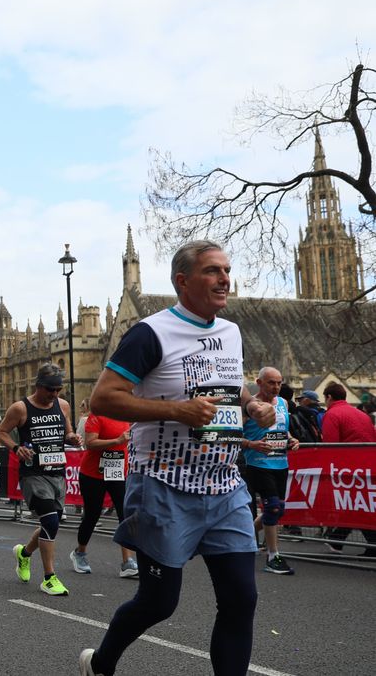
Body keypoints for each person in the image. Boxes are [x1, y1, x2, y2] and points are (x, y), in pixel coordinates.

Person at [80, 240, 275, 676]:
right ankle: (101, 663)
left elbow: (228, 385)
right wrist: (177, 410)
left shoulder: (230, 332)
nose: (224, 278)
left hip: (224, 486)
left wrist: (250, 406)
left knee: (241, 600)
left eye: (226, 269)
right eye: (212, 271)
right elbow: (103, 398)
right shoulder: (151, 333)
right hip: (164, 485)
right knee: (158, 603)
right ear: (183, 281)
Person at [0, 363, 81, 597]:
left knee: (49, 523)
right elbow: (0, 432)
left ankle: (24, 553)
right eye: (50, 390)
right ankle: (49, 578)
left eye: (58, 390)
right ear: (38, 386)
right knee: (51, 522)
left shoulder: (62, 405)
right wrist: (16, 447)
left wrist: (72, 437)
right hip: (33, 474)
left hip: (57, 472)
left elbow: (68, 431)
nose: (54, 395)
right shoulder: (20, 408)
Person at [240, 367, 299, 575]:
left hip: (281, 463)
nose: (276, 387)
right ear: (259, 382)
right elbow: (232, 436)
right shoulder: (250, 407)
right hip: (258, 464)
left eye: (279, 383)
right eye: (271, 383)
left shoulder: (282, 403)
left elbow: (283, 430)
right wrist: (252, 444)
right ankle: (273, 557)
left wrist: (291, 440)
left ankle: (242, 537)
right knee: (272, 507)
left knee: (276, 509)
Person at [70, 411, 138, 578]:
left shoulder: (126, 415)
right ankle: (79, 553)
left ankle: (127, 561)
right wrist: (117, 441)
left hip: (118, 472)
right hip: (93, 474)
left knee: (125, 514)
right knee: (92, 515)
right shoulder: (97, 416)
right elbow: (90, 443)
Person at [319, 383, 376, 555]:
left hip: (346, 468)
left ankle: (340, 539)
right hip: (367, 465)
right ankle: (338, 539)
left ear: (329, 397)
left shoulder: (332, 414)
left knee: (353, 504)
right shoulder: (362, 414)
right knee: (358, 504)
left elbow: (330, 445)